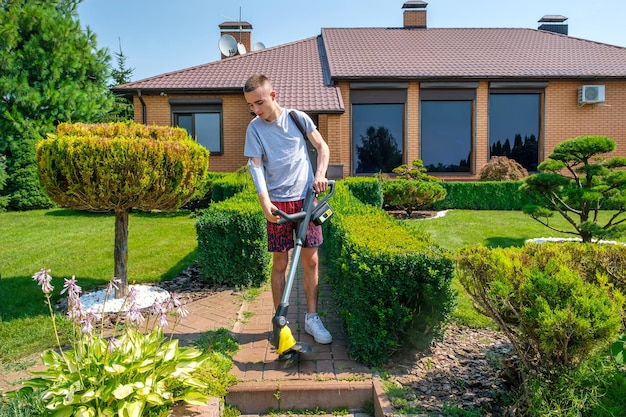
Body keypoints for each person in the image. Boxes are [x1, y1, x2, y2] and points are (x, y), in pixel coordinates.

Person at [243, 73, 332, 344]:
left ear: (273, 95)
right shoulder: (254, 129)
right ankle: (280, 322)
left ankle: (312, 319)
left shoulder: (297, 118)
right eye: (251, 106)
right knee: (280, 262)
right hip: (278, 205)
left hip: (306, 200)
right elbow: (256, 165)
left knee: (311, 260)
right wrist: (264, 202)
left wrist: (320, 174)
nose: (256, 110)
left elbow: (322, 147)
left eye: (259, 103)